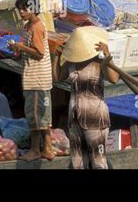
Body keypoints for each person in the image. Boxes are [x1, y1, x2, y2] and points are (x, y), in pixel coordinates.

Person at [52, 26, 119, 169]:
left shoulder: (99, 62)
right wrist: (56, 57)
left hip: (95, 118)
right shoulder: (71, 63)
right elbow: (57, 78)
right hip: (75, 117)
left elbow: (114, 79)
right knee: (78, 163)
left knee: (98, 162)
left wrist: (108, 57)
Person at [9, 0, 55, 161]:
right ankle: (48, 149)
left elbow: (39, 53)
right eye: (19, 9)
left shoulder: (36, 27)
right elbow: (30, 50)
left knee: (34, 117)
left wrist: (20, 47)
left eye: (24, 9)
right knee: (42, 117)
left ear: (34, 9)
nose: (21, 12)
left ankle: (36, 150)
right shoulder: (29, 26)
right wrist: (17, 49)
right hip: (34, 79)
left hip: (37, 81)